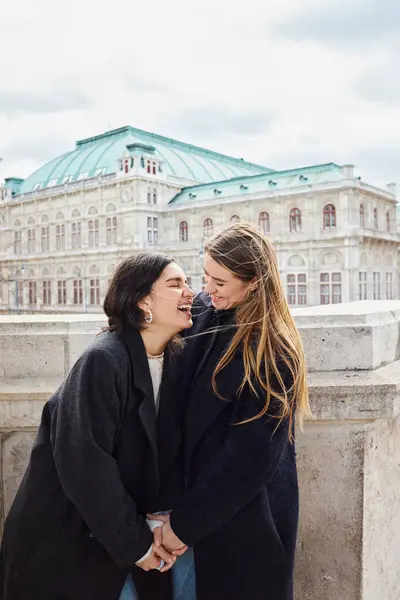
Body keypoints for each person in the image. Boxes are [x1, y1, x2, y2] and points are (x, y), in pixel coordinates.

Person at [0, 253, 195, 600]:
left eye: (188, 283)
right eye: (176, 284)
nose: (189, 292)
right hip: (69, 543)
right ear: (143, 301)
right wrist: (138, 544)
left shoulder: (172, 360)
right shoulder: (103, 361)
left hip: (119, 536)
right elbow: (85, 464)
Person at [149, 223, 311, 600]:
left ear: (253, 282)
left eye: (219, 282)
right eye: (205, 276)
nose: (206, 289)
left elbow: (247, 463)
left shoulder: (273, 353)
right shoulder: (206, 310)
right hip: (190, 511)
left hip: (245, 523)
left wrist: (181, 527)